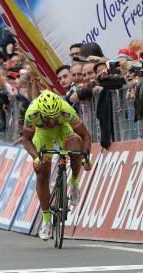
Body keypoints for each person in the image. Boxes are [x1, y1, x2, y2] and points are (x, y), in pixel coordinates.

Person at [21, 90, 93, 241]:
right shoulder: (31, 113)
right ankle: (46, 220)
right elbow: (26, 140)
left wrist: (86, 156)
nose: (52, 121)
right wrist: (36, 157)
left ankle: (73, 182)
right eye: (48, 118)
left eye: (55, 117)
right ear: (40, 113)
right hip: (42, 134)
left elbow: (85, 135)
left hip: (63, 129)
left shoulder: (66, 110)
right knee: (41, 173)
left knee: (75, 146)